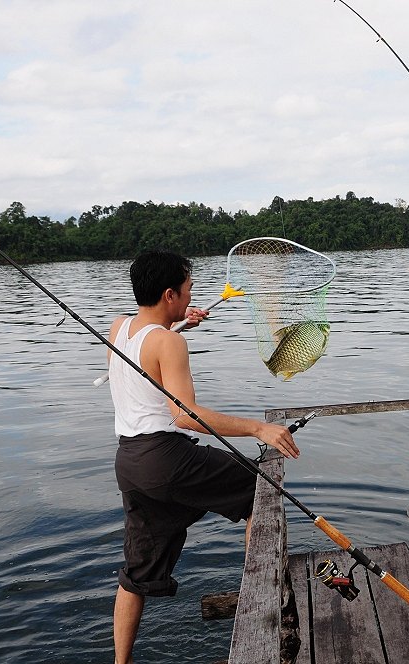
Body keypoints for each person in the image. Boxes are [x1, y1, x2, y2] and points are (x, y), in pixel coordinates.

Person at [107, 249, 300, 663]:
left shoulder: (118, 328)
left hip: (130, 463)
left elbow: (147, 358)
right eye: (188, 289)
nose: (193, 295)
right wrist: (258, 427)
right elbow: (186, 416)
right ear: (169, 294)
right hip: (165, 457)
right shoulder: (170, 342)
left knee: (136, 574)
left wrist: (178, 323)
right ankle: (258, 599)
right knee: (259, 489)